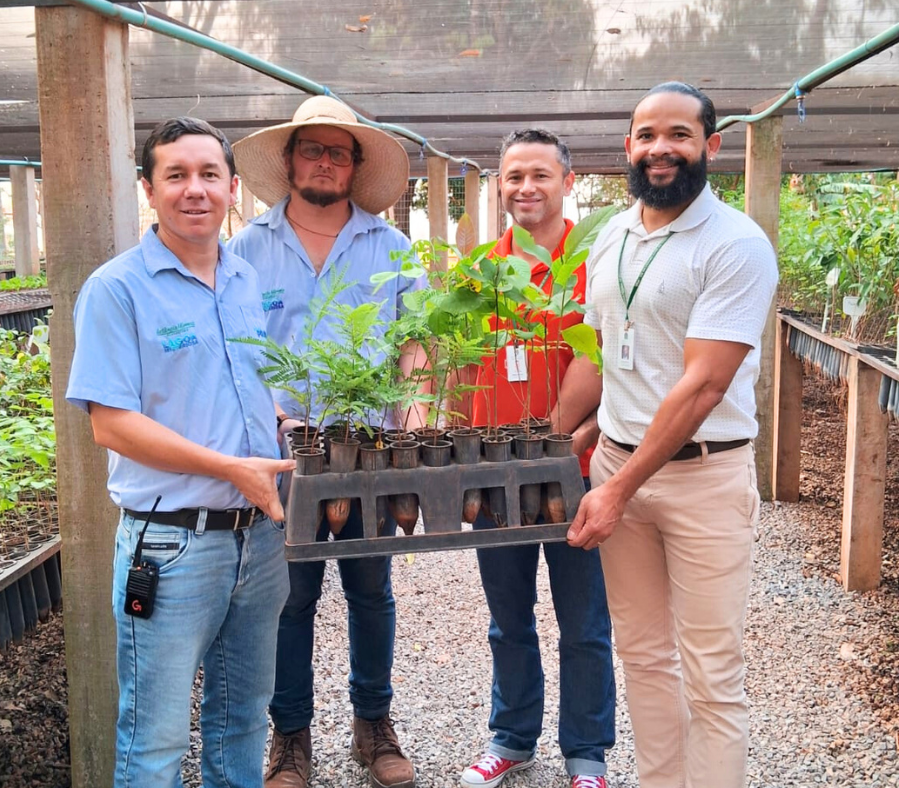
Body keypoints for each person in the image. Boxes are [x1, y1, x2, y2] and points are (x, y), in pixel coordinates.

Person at [559, 82, 778, 788]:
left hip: (701, 478)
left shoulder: (736, 244)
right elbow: (607, 356)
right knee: (645, 656)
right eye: (647, 134)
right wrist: (572, 436)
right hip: (618, 469)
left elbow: (702, 386)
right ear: (628, 146)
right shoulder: (610, 237)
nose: (661, 148)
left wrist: (618, 487)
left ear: (711, 146)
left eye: (679, 134)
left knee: (712, 671)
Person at [65, 117, 295, 788]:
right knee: (157, 739)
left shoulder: (245, 279)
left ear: (231, 188)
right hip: (171, 548)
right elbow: (111, 425)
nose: (194, 190)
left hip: (259, 541)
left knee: (243, 719)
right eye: (176, 175)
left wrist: (278, 416)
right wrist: (230, 468)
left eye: (208, 175)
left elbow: (249, 382)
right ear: (149, 188)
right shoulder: (117, 288)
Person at [229, 95, 425, 788]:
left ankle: (374, 724)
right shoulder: (246, 249)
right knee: (289, 599)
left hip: (369, 449)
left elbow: (415, 340)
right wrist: (270, 414)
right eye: (311, 148)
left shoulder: (389, 246)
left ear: (354, 165)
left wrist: (411, 410)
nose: (323, 161)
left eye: (337, 151)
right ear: (289, 160)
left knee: (371, 590)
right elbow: (235, 353)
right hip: (283, 458)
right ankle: (290, 739)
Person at [459, 129, 615, 788]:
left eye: (540, 175)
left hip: (579, 472)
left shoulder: (600, 262)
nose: (526, 187)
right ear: (499, 184)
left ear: (568, 182)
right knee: (508, 618)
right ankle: (512, 736)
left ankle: (587, 750)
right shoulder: (478, 272)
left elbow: (615, 362)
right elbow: (457, 370)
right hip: (496, 475)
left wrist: (576, 433)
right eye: (514, 175)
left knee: (584, 622)